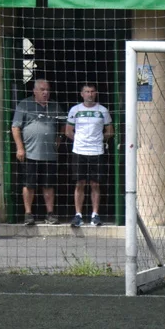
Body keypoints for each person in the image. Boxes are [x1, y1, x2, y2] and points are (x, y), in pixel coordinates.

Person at [11, 78, 64, 225]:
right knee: (29, 184)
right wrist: (20, 148)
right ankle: (28, 214)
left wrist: (59, 140)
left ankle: (50, 214)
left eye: (47, 90)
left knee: (49, 185)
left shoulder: (55, 106)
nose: (45, 92)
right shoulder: (24, 105)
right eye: (42, 90)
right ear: (34, 91)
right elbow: (15, 127)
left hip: (49, 154)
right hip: (30, 153)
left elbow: (64, 125)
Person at [64, 82, 113, 227]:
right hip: (79, 151)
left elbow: (110, 131)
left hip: (97, 151)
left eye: (92, 91)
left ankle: (95, 215)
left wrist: (98, 140)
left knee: (95, 184)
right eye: (87, 91)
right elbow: (68, 131)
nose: (90, 94)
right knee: (79, 183)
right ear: (82, 94)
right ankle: (78, 215)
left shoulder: (103, 110)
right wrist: (80, 140)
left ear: (95, 93)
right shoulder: (75, 110)